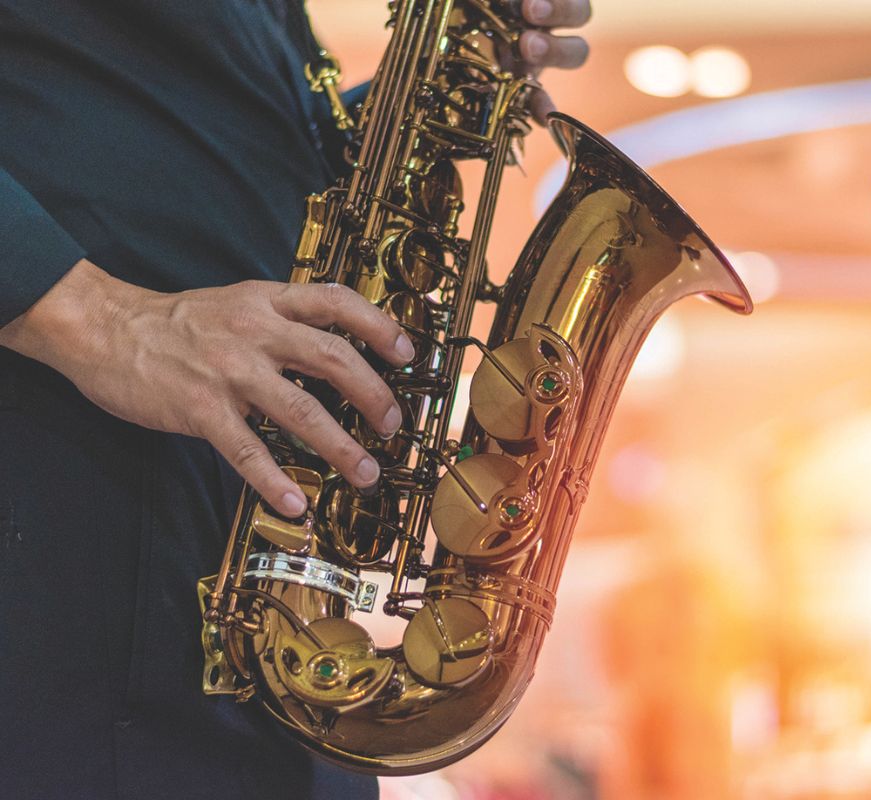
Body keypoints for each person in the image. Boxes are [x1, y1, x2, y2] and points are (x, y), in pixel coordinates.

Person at [0, 1, 591, 798]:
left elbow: (177, 136)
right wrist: (96, 318)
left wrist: (429, 94)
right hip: (72, 590)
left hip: (257, 637)